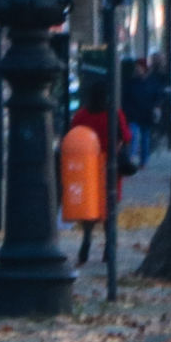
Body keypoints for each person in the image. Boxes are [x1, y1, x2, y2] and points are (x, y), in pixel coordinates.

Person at [66, 81, 120, 266]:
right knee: (109, 209)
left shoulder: (81, 116)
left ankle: (86, 244)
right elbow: (126, 136)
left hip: (87, 168)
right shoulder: (114, 114)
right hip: (110, 165)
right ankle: (109, 250)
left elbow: (73, 136)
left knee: (89, 209)